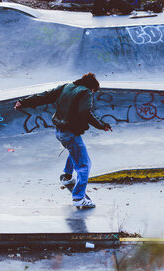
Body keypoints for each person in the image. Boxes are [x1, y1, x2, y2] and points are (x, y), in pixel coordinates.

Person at [14, 73, 112, 208]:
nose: (93, 94)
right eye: (94, 91)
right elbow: (85, 112)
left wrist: (24, 102)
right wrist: (102, 125)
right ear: (91, 87)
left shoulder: (66, 86)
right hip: (70, 133)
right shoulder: (86, 92)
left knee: (74, 151)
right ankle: (78, 197)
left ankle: (67, 177)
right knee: (84, 165)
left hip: (59, 131)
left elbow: (45, 96)